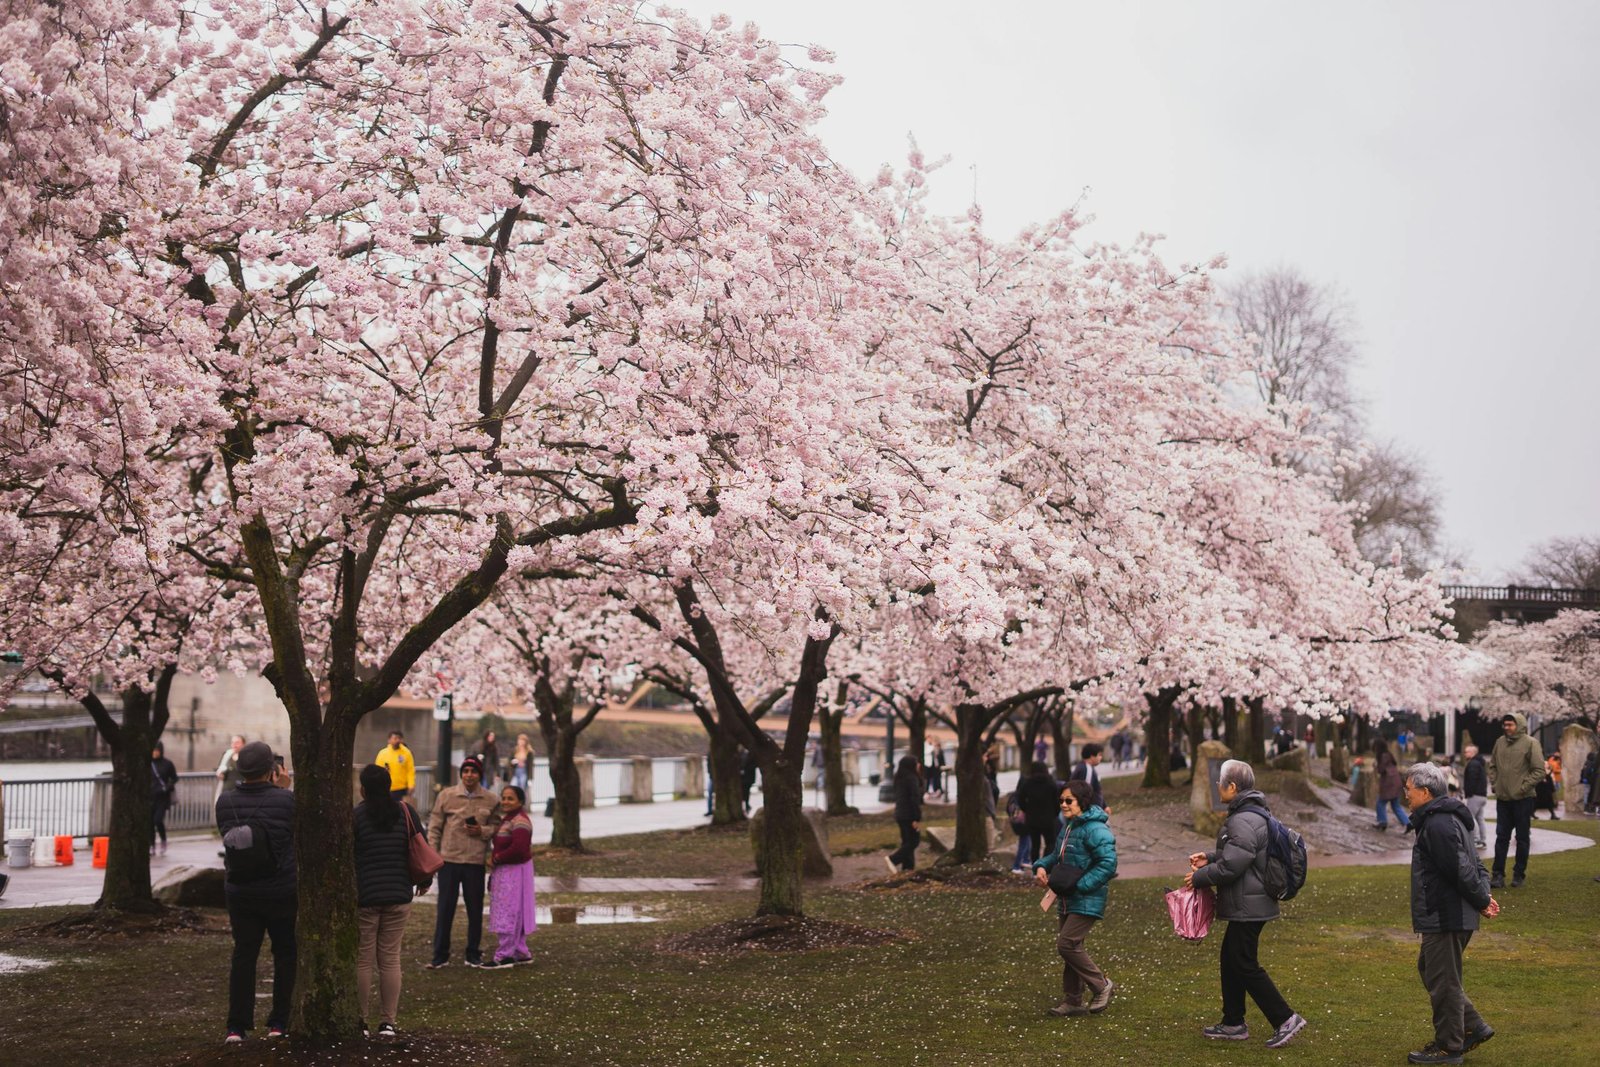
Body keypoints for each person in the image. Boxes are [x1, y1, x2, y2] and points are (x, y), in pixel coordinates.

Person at [1185, 759, 1307, 1049]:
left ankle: (1285, 1018)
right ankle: (1233, 1022)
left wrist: (1200, 877)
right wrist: (1210, 857)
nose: (1217, 787)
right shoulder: (1252, 813)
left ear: (1232, 787)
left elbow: (1233, 866)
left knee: (1243, 962)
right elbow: (1240, 854)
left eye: (1221, 783)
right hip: (1250, 902)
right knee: (1231, 958)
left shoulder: (1242, 818)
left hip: (1250, 905)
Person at [1402, 761, 1499, 1065]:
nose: (1406, 794)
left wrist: (1482, 899)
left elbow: (1460, 869)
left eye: (1409, 789)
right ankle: (1473, 1025)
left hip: (1446, 915)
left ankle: (1449, 1048)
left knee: (1444, 981)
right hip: (1449, 913)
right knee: (1432, 971)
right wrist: (1483, 895)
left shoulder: (1438, 823)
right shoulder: (1446, 817)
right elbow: (1475, 864)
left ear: (1425, 791)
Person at [215, 742, 296, 1044]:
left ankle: (236, 1026)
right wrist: (286, 789)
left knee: (244, 955)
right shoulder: (287, 802)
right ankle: (279, 1021)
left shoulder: (224, 802)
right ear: (272, 771)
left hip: (240, 891)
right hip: (281, 891)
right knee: (285, 953)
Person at [353, 763, 429, 1039]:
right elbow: (421, 844)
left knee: (363, 959)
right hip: (398, 894)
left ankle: (360, 1020)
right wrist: (423, 880)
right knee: (390, 959)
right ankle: (388, 1022)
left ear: (363, 788)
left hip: (366, 896)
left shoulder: (357, 816)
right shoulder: (405, 812)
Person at [1031, 779, 1118, 1017]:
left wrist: (1081, 886)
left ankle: (1101, 985)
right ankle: (1073, 1000)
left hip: (1086, 897)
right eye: (1061, 800)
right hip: (1067, 896)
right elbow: (1056, 856)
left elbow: (1108, 864)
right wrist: (1040, 866)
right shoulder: (1069, 826)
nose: (1063, 804)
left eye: (1069, 800)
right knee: (1072, 947)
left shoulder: (1096, 829)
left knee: (1066, 944)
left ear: (1083, 801)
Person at [426, 756, 502, 968]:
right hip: (449, 860)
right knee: (445, 908)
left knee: (475, 909)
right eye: (466, 771)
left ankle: (473, 953)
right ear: (461, 774)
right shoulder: (447, 795)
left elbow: (498, 828)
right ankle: (440, 955)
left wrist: (482, 830)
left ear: (480, 775)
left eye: (473, 771)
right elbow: (434, 827)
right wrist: (433, 854)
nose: (469, 775)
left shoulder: (491, 799)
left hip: (475, 862)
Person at [481, 784, 537, 968]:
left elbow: (519, 849)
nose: (505, 801)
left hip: (513, 872)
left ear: (520, 801)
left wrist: (497, 858)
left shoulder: (520, 821)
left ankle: (504, 956)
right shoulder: (509, 819)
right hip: (510, 870)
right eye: (503, 798)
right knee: (516, 911)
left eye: (510, 798)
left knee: (508, 912)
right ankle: (521, 952)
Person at [1488, 712, 1544, 888]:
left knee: (1522, 838)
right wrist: (1495, 783)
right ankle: (1497, 875)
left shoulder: (1531, 743)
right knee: (1501, 837)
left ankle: (1519, 874)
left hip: (1523, 799)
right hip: (1503, 799)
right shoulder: (1499, 742)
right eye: (1505, 724)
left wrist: (1522, 788)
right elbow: (1492, 766)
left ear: (1518, 725)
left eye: (1510, 725)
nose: (1507, 728)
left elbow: (1539, 770)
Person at [1017, 760, 1062, 867]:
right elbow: (1057, 801)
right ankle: (1044, 864)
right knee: (1050, 842)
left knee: (1035, 845)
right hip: (1049, 819)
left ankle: (1035, 866)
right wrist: (1055, 814)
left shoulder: (1027, 783)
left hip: (1032, 819)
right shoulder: (1051, 783)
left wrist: (1026, 810)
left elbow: (1020, 799)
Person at [886, 755, 922, 873]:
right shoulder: (912, 778)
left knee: (907, 841)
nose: (918, 765)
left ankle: (908, 868)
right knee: (914, 841)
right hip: (909, 815)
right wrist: (916, 818)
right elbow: (914, 798)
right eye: (916, 763)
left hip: (900, 814)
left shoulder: (899, 778)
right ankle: (893, 859)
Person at [1374, 740, 1410, 832]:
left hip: (1388, 784)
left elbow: (1381, 769)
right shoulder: (1389, 755)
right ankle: (1408, 823)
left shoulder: (1382, 756)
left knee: (1380, 803)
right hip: (1396, 782)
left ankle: (1382, 821)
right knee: (1396, 805)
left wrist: (1375, 766)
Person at [150, 741, 179, 856]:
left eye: (156, 751)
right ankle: (151, 845)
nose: (154, 753)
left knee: (157, 820)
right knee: (149, 823)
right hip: (149, 797)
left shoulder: (167, 764)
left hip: (162, 797)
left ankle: (163, 840)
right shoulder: (147, 763)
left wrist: (168, 787)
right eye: (153, 750)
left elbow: (175, 778)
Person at [1460, 745, 1488, 849]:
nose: (1465, 754)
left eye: (1467, 752)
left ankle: (1476, 840)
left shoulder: (1473, 764)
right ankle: (1482, 840)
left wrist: (1468, 793)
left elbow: (1472, 780)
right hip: (1482, 795)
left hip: (1475, 795)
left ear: (1473, 753)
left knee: (1470, 817)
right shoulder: (1479, 763)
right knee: (1480, 818)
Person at [1069, 743, 1109, 815]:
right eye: (1099, 755)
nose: (1101, 757)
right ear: (1092, 756)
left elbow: (1096, 789)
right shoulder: (1086, 769)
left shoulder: (1087, 767)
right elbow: (1085, 792)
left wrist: (1104, 806)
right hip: (1089, 813)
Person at [376, 730, 416, 799]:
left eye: (399, 738)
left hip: (402, 788)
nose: (397, 741)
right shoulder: (382, 753)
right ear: (389, 740)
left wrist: (411, 785)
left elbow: (410, 770)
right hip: (387, 788)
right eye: (395, 738)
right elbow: (377, 770)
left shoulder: (406, 753)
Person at [214, 734, 245, 799]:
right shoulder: (226, 756)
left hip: (242, 792)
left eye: (237, 743)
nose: (234, 745)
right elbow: (221, 770)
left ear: (243, 744)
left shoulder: (247, 757)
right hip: (227, 791)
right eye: (232, 742)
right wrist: (220, 774)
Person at [1534, 752, 1561, 820]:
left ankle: (1552, 814)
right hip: (1541, 787)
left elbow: (1549, 772)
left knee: (1549, 801)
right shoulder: (1539, 765)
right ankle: (1531, 813)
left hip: (1546, 787)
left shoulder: (1545, 763)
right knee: (1537, 802)